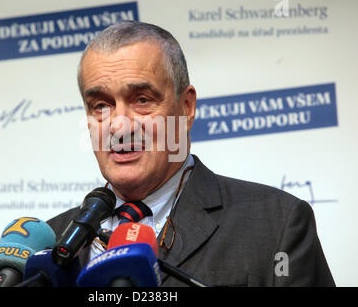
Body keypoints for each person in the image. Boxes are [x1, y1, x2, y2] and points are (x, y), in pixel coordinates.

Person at [47, 20, 335, 286]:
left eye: (142, 100)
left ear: (186, 108)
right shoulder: (47, 244)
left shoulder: (276, 223)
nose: (119, 126)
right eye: (100, 105)